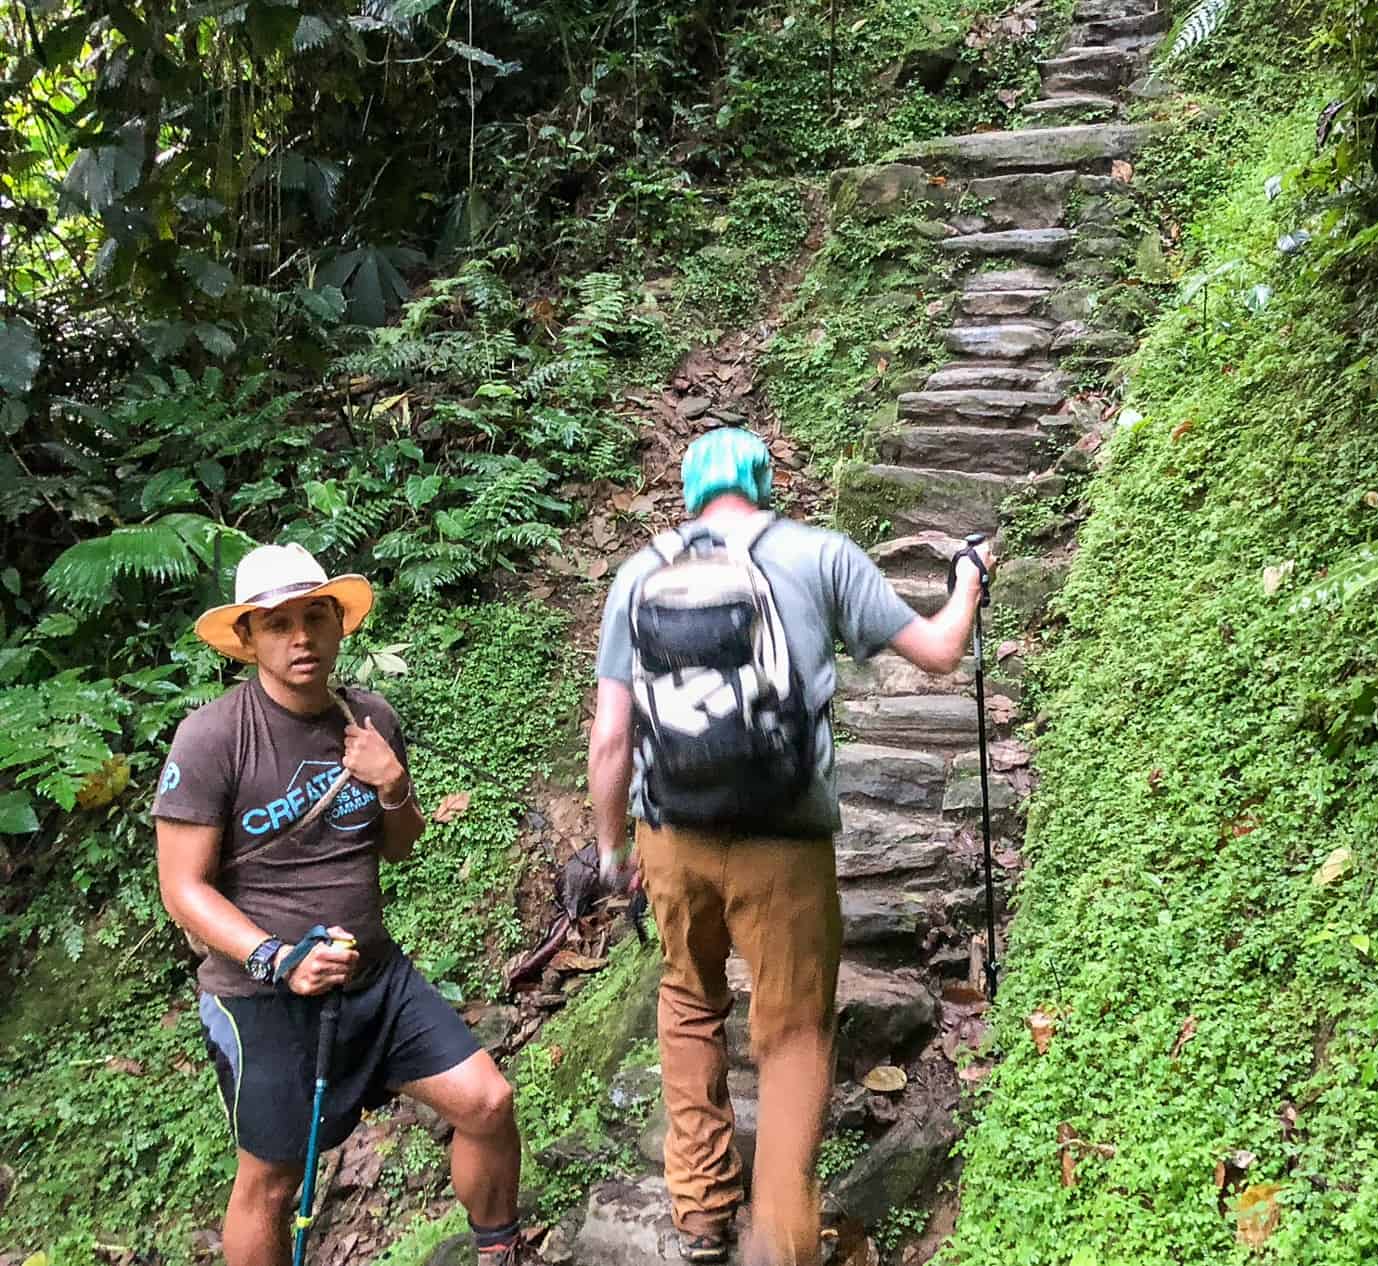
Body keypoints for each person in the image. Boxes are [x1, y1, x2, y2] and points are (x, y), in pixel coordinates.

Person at [590, 428, 993, 1265]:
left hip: (670, 836)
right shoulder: (822, 555)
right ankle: (782, 1243)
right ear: (766, 482)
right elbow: (942, 653)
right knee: (794, 1034)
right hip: (785, 841)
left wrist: (610, 852)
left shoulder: (639, 573)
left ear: (690, 490)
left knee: (688, 1001)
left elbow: (609, 740)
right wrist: (968, 582)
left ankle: (699, 1214)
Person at [154, 543, 524, 1266]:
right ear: (246, 639)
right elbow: (182, 888)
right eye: (278, 623)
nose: (301, 637)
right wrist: (274, 956)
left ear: (338, 624)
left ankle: (498, 1248)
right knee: (272, 1180)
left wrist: (393, 788)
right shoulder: (212, 739)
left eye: (315, 616)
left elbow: (399, 846)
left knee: (488, 1103)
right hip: (260, 997)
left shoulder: (371, 716)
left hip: (374, 977)